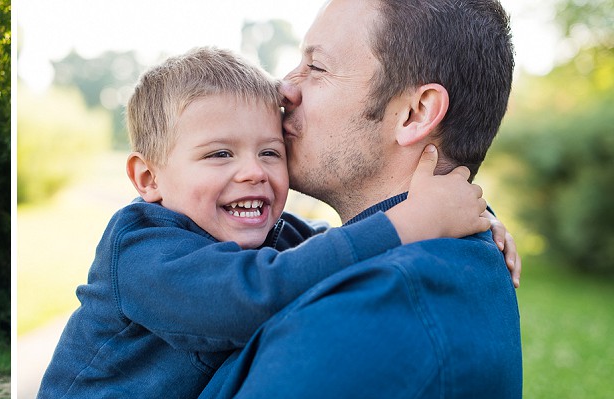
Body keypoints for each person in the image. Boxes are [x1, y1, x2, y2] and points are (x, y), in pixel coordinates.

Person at [38, 46, 515, 398]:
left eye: (271, 152)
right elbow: (252, 295)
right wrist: (413, 223)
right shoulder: (142, 250)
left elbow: (342, 249)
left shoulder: (275, 234)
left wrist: (464, 212)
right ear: (148, 177)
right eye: (219, 153)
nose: (253, 171)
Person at [199, 0, 521, 397]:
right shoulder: (462, 255)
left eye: (316, 68)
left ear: (415, 114)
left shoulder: (360, 317)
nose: (284, 87)